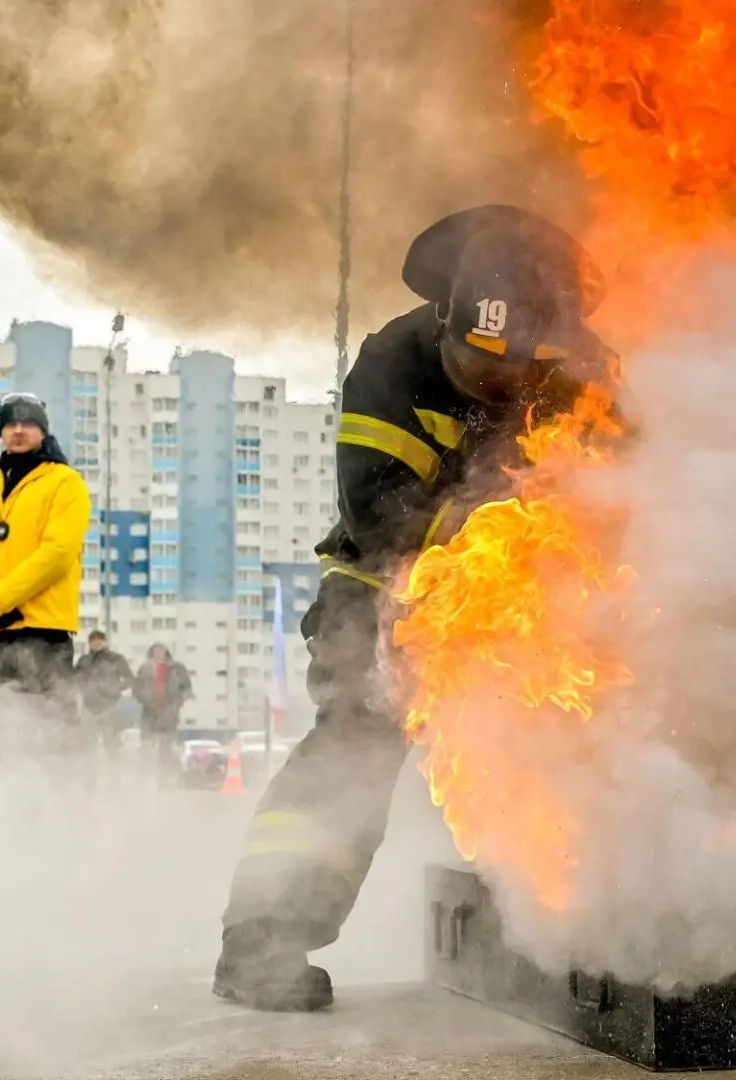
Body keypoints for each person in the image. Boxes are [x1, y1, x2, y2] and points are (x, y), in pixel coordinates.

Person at [213, 205, 615, 1010]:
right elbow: (379, 512)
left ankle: (596, 917)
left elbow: (635, 482)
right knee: (355, 745)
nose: (497, 387)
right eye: (477, 367)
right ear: (445, 322)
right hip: (382, 585)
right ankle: (260, 948)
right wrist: (498, 539)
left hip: (534, 599)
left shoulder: (585, 371)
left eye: (514, 373)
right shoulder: (391, 364)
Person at [0, 392, 92, 772]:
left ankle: (62, 819)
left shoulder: (66, 483)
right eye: (10, 424)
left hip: (43, 629)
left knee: (53, 737)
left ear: (42, 431)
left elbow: (57, 553)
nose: (18, 431)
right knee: (9, 737)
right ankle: (18, 820)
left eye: (27, 423)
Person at [132, 642, 192, 784]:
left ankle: (164, 777)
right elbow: (136, 688)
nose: (158, 653)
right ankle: (145, 777)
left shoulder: (177, 669)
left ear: (167, 652)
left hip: (169, 715)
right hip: (149, 713)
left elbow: (187, 689)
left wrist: (177, 704)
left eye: (162, 650)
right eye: (155, 651)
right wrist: (144, 698)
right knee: (146, 746)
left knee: (166, 748)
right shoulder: (145, 669)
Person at [73, 631, 134, 761]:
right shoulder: (84, 660)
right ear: (89, 643)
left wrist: (115, 688)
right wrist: (83, 689)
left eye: (99, 639)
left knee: (112, 745)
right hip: (89, 708)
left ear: (105, 641)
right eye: (93, 640)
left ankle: (114, 775)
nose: (96, 642)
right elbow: (76, 679)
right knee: (87, 746)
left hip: (110, 706)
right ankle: (90, 776)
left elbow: (129, 679)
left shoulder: (116, 659)